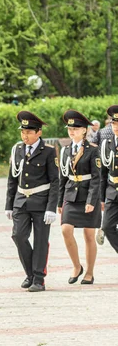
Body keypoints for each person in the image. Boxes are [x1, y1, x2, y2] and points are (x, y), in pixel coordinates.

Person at [5, 111, 59, 292]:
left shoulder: (49, 152)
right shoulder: (18, 149)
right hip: (21, 201)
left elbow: (55, 181)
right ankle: (30, 273)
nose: (25, 135)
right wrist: (9, 204)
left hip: (41, 202)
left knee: (41, 241)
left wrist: (51, 207)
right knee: (18, 236)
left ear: (38, 133)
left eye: (29, 132)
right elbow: (12, 178)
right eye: (23, 132)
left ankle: (39, 278)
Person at [57, 110, 100, 285]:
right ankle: (77, 266)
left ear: (84, 130)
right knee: (65, 229)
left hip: (88, 195)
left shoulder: (92, 150)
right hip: (70, 195)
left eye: (76, 128)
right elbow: (63, 177)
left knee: (89, 235)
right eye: (70, 128)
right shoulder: (66, 150)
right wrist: (60, 201)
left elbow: (96, 178)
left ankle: (89, 272)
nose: (72, 131)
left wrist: (91, 201)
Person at [99, 105, 118, 256]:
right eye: (114, 123)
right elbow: (103, 173)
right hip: (112, 192)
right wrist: (102, 198)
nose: (116, 127)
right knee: (107, 226)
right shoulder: (107, 143)